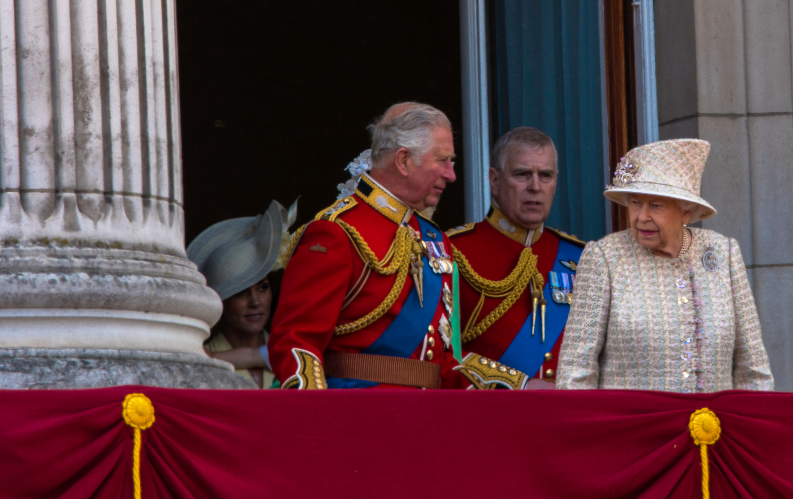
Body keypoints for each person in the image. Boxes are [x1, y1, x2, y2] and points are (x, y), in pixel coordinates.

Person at [268, 102, 533, 390]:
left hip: (425, 419)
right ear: (403, 160)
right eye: (442, 160)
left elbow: (438, 364)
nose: (451, 174)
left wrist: (520, 387)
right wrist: (323, 422)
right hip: (360, 418)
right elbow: (296, 344)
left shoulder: (434, 239)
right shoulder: (337, 231)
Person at [556, 139, 774, 393]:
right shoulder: (604, 258)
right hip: (632, 430)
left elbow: (753, 369)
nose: (642, 216)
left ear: (686, 212)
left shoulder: (722, 253)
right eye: (636, 203)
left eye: (656, 206)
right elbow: (575, 372)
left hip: (713, 429)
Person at [447, 127, 584, 383]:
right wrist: (516, 386)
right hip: (494, 415)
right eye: (522, 174)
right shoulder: (455, 252)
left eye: (545, 175)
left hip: (569, 413)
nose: (535, 187)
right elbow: (444, 356)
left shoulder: (582, 259)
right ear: (495, 181)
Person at [188, 199, 298, 388]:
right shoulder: (200, 361)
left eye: (262, 287)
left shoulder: (293, 350)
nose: (255, 302)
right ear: (220, 301)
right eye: (240, 293)